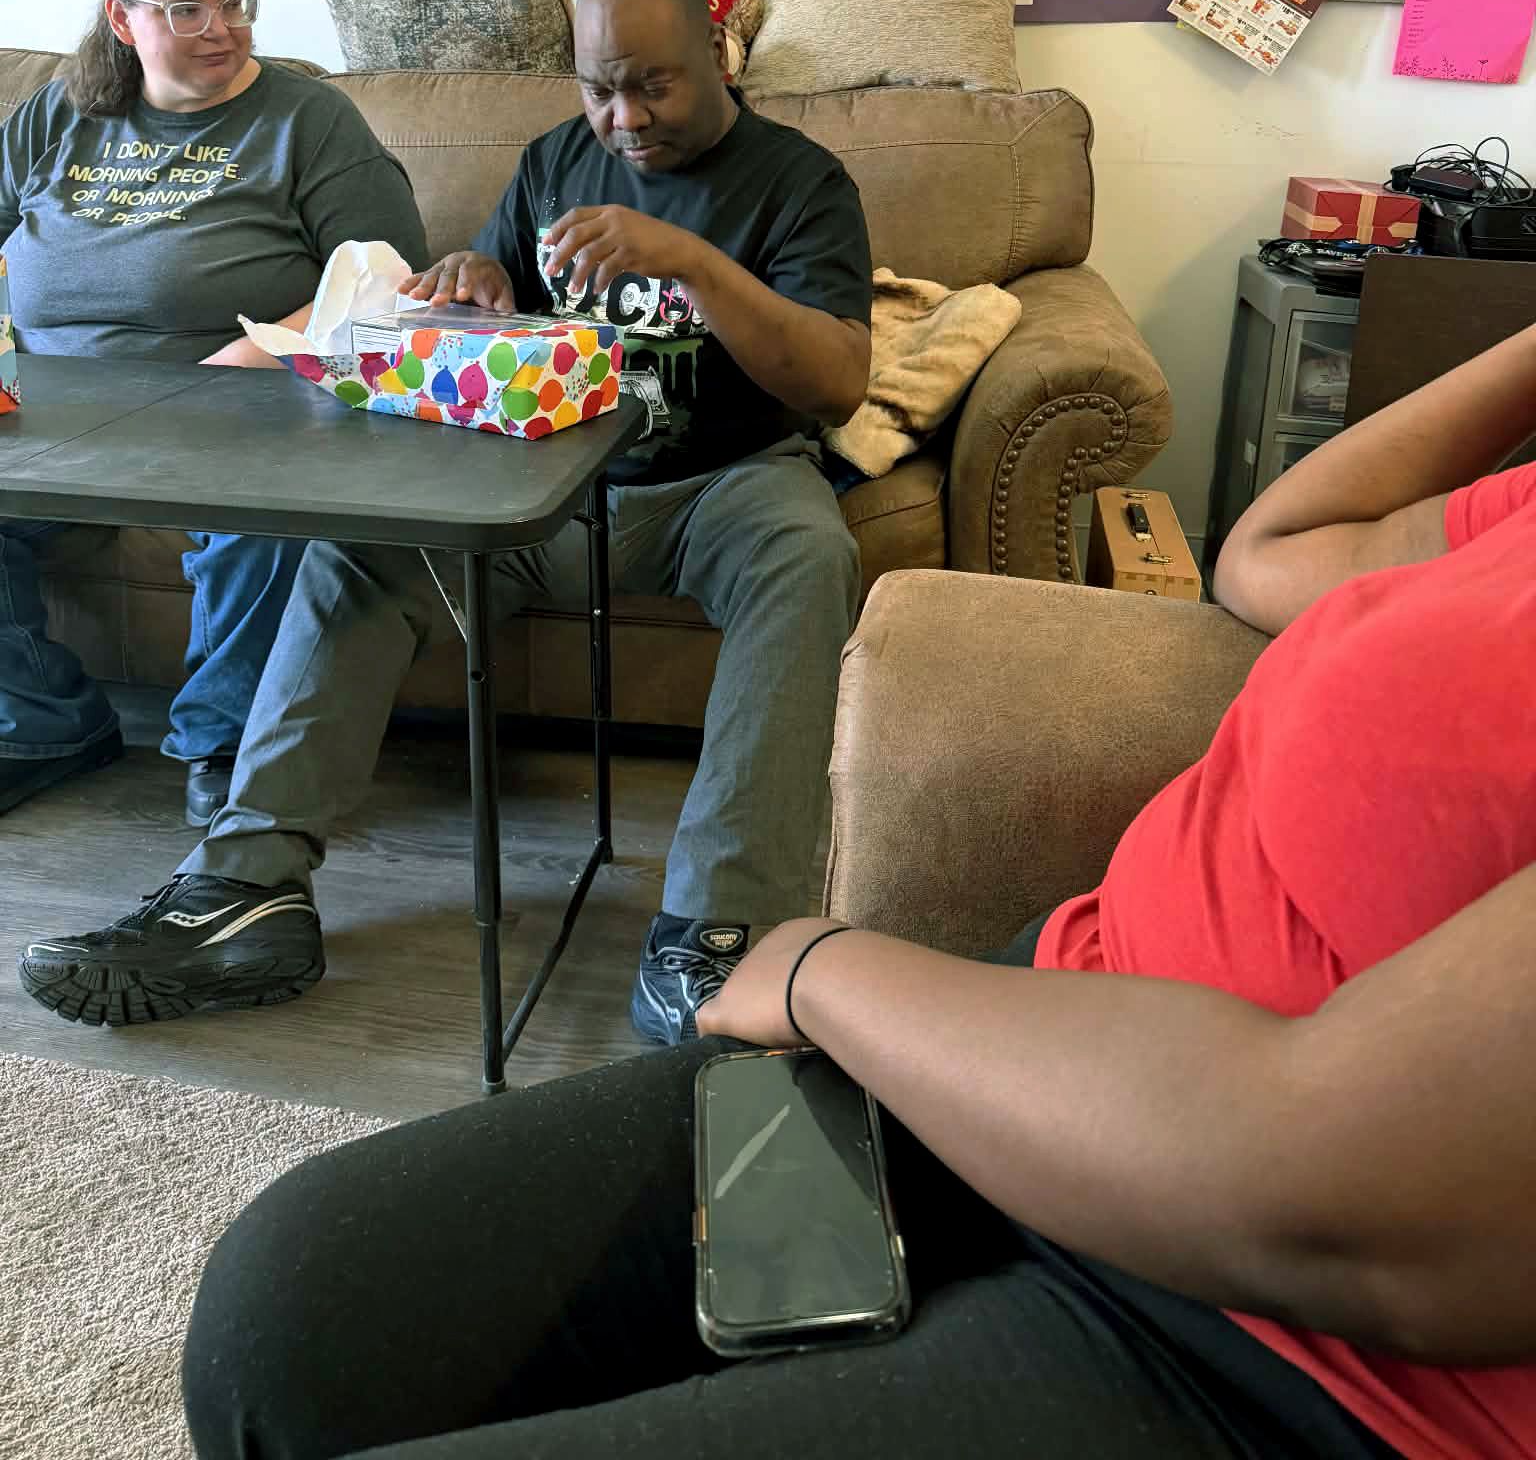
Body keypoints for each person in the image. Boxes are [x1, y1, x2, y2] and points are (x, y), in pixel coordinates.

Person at [179, 325, 1536, 1459]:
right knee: (286, 1321)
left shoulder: (789, 183)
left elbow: (1321, 1194)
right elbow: (1281, 544)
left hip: (1287, 1361)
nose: (621, 112)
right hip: (1045, 1046)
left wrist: (830, 967)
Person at [18, 0, 873, 1039]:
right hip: (542, 486)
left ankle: (721, 936)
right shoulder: (559, 157)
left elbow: (840, 375)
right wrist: (476, 277)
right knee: (359, 550)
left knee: (810, 554)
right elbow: (502, 299)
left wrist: (693, 261)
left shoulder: (800, 181)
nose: (624, 116)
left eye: (653, 83)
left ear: (717, 54)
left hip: (725, 483)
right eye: (598, 85)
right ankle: (246, 894)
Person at [0, 0, 425, 835]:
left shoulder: (304, 119)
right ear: (124, 21)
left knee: (268, 521)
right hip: (48, 414)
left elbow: (389, 267)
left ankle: (219, 742)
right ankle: (43, 723)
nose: (222, 29)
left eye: (234, 3)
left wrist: (259, 351)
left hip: (231, 405)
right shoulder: (56, 115)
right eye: (186, 12)